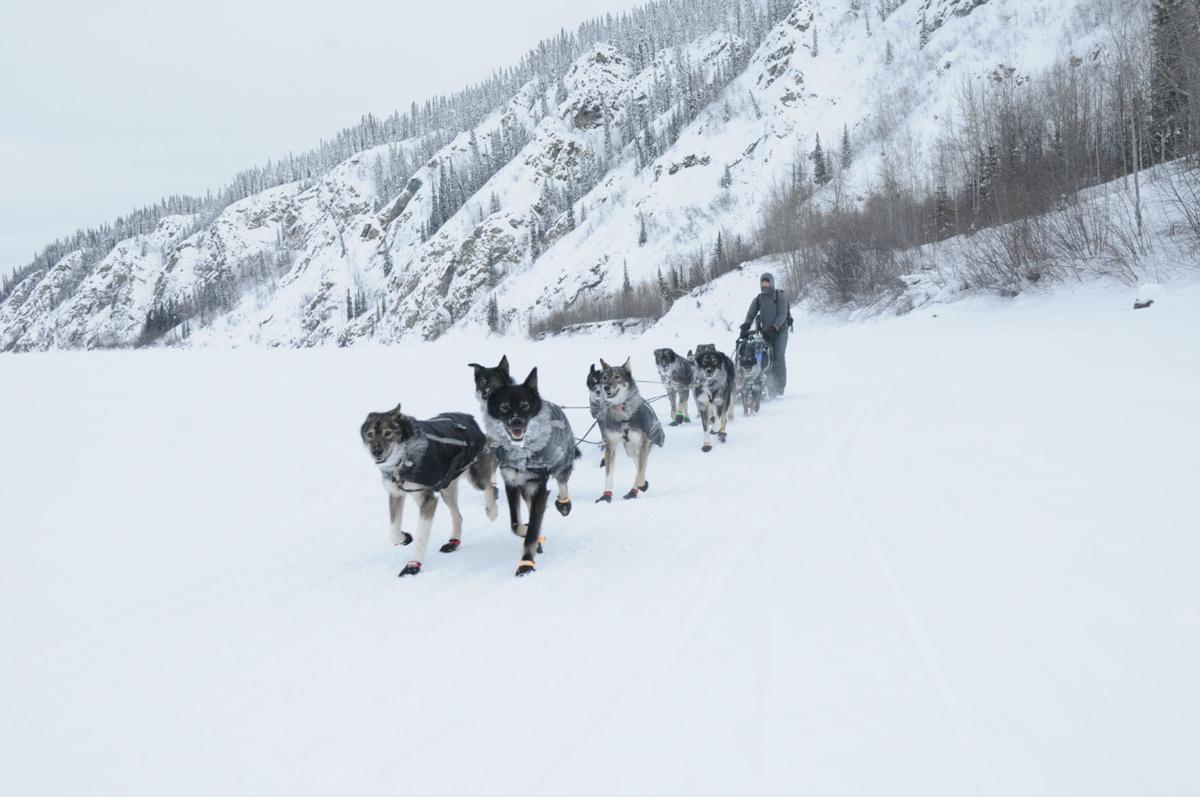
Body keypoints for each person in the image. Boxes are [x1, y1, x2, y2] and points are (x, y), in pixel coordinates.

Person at [739, 272, 791, 395]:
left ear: (771, 282)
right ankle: (766, 383)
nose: (764, 285)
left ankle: (780, 385)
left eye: (766, 282)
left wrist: (775, 327)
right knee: (763, 356)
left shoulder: (779, 296)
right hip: (765, 332)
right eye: (762, 282)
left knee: (778, 355)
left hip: (780, 331)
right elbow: (751, 313)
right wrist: (746, 325)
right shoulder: (759, 298)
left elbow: (783, 314)